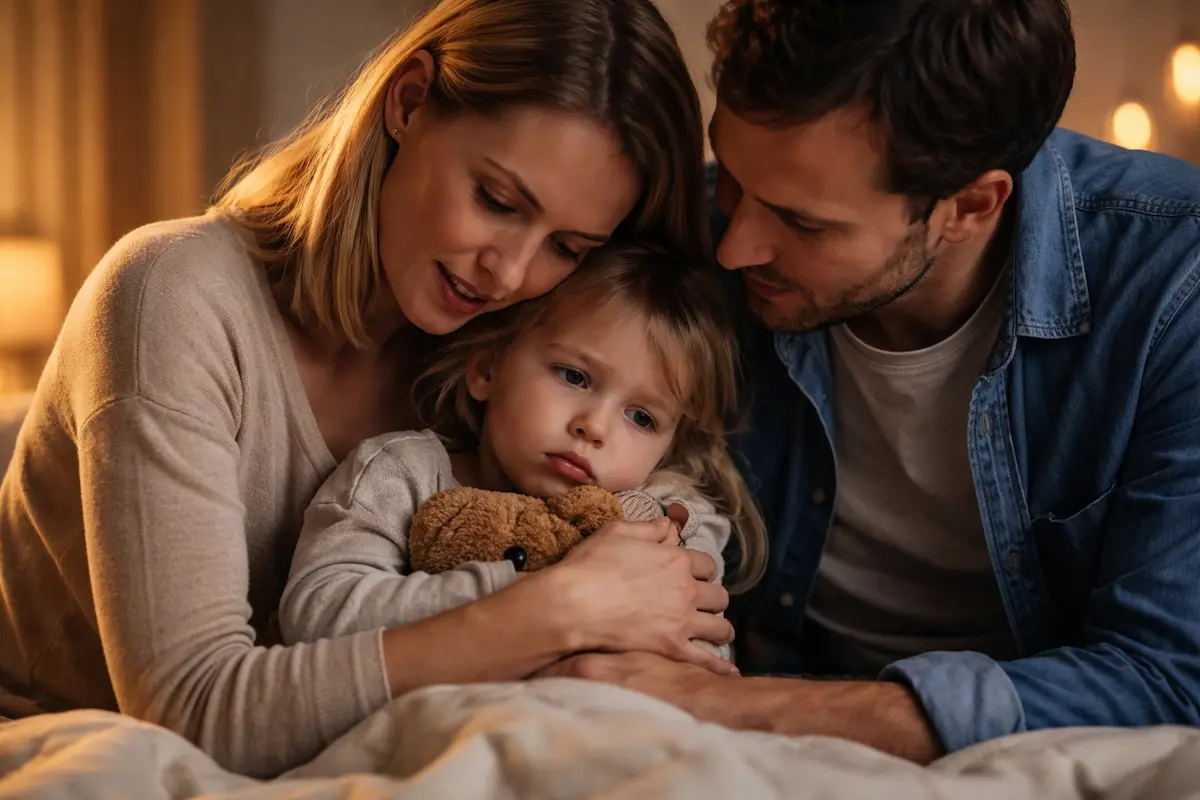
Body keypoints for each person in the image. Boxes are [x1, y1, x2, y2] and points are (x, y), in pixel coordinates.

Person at [0, 0, 721, 778]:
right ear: (409, 101)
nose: (511, 273)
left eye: (567, 247)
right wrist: (561, 606)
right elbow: (194, 711)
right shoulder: (171, 295)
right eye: (498, 202)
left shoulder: (501, 364)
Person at [539, 0, 1200, 766]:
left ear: (970, 206)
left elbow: (1169, 678)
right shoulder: (686, 233)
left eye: (802, 222)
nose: (734, 246)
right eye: (732, 176)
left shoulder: (1172, 285)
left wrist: (722, 704)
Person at [278, 242, 768, 666]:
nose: (594, 427)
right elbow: (320, 613)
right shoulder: (402, 473)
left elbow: (702, 655)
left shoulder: (665, 519)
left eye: (642, 418)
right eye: (574, 376)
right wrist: (553, 595)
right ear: (488, 367)